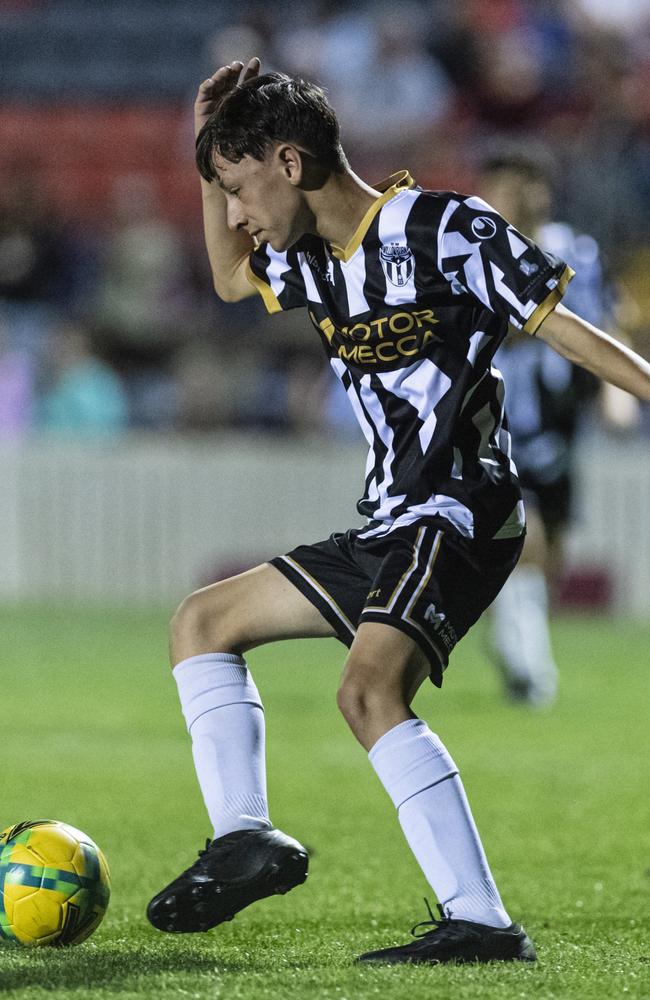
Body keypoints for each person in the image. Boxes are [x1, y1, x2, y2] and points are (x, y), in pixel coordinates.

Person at [146, 59, 650, 965]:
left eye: (239, 189)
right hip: (392, 518)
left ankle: (484, 924)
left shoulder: (446, 228)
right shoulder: (306, 260)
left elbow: (566, 330)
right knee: (201, 623)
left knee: (369, 689)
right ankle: (243, 837)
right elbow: (228, 281)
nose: (237, 215)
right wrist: (207, 147)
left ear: (290, 164)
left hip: (463, 507)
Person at [477, 148, 638, 705]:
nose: (514, 196)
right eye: (501, 183)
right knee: (530, 538)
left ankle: (512, 633)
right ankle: (531, 672)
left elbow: (606, 321)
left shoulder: (579, 253)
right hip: (495, 418)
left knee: (553, 554)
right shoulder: (477, 250)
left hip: (558, 422)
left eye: (524, 183)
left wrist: (617, 393)